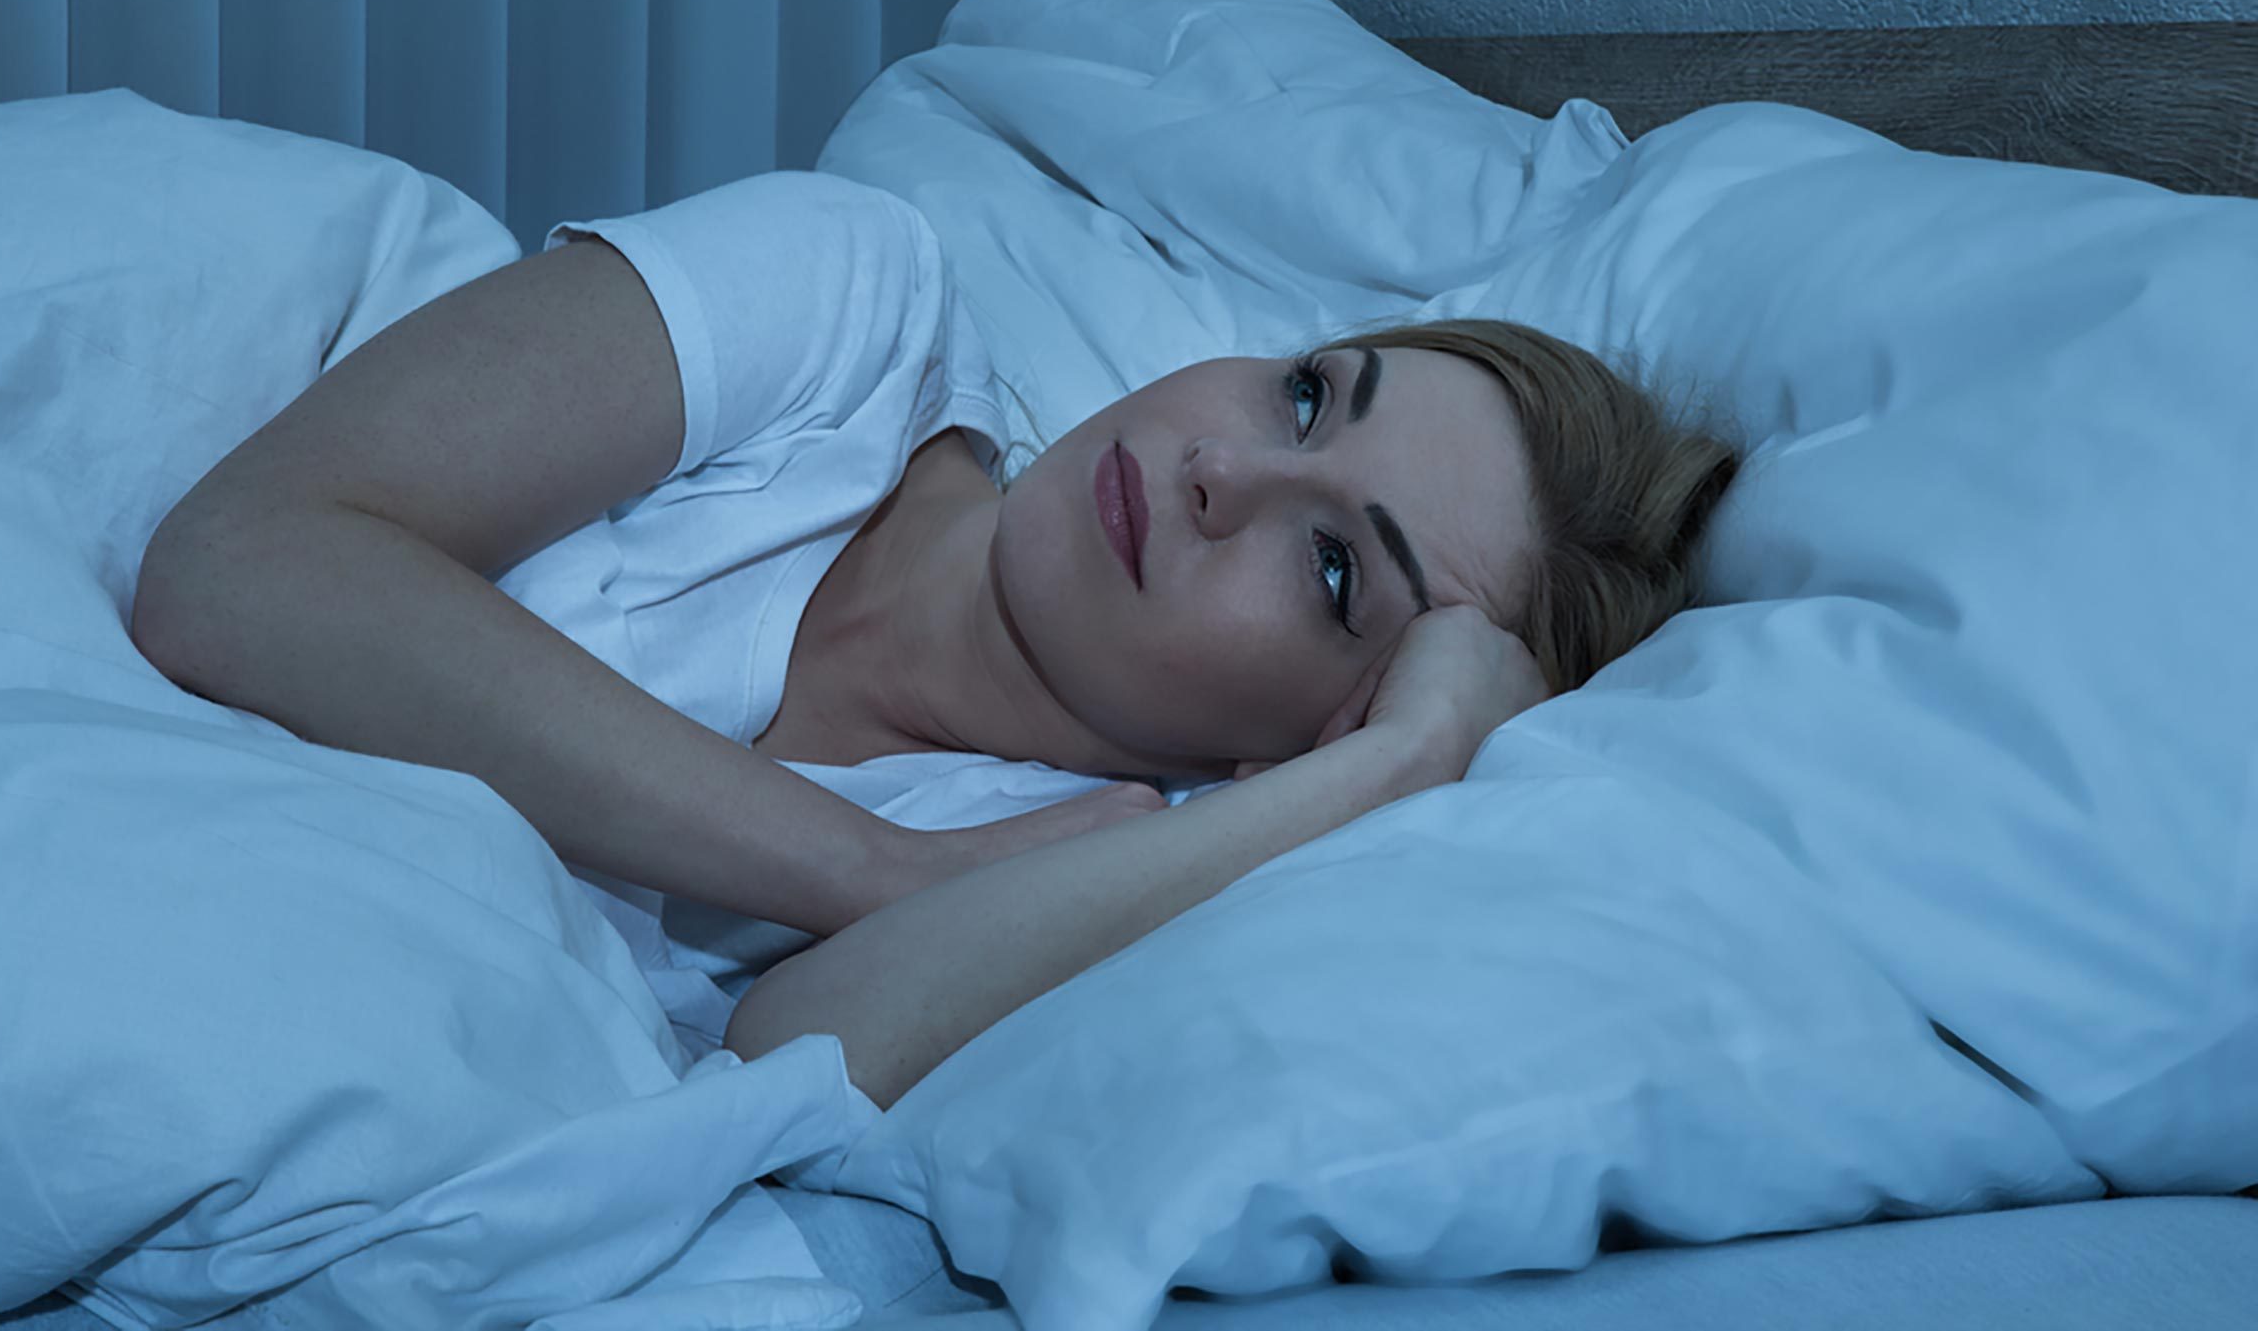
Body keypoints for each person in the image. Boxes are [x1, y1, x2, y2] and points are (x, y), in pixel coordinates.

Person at [130, 172, 1741, 1108]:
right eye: (1307, 393)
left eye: (1333, 574)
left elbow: (777, 1074)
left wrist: (1403, 765)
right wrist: (866, 869)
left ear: (1313, 732)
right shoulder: (852, 311)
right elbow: (236, 563)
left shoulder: (1096, 864)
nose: (1221, 468)